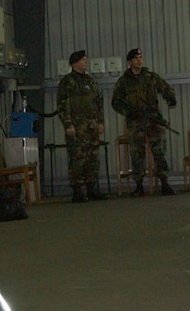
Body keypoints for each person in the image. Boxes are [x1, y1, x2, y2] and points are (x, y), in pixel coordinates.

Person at [111, 48, 177, 196]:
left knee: (159, 151)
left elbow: (165, 88)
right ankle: (139, 185)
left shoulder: (150, 77)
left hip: (153, 119)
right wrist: (128, 112)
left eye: (141, 57)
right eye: (136, 58)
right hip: (135, 122)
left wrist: (170, 97)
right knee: (137, 153)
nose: (139, 60)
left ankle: (164, 183)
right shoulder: (123, 82)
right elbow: (115, 102)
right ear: (130, 62)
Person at [57, 50, 108, 203]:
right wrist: (68, 124)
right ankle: (78, 190)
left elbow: (98, 103)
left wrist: (100, 122)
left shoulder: (91, 81)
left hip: (91, 126)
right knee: (78, 158)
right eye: (83, 60)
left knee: (93, 158)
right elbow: (62, 104)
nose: (86, 62)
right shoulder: (67, 82)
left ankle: (92, 188)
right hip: (76, 127)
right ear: (74, 63)